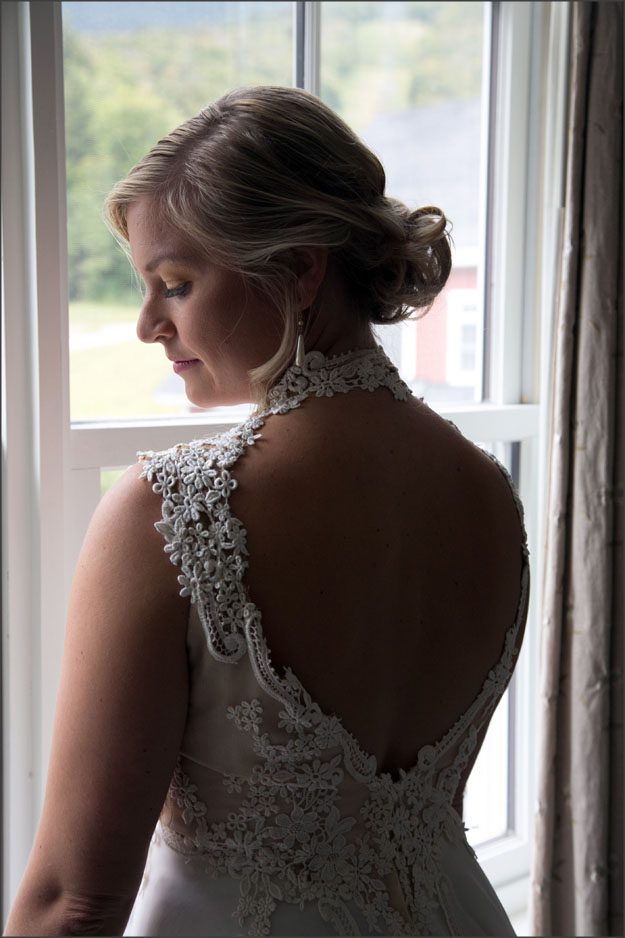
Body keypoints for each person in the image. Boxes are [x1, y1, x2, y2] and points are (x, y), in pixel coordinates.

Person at [4, 85, 530, 937]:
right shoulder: (486, 491)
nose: (147, 325)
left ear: (297, 270)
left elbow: (77, 900)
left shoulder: (173, 510)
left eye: (175, 284)